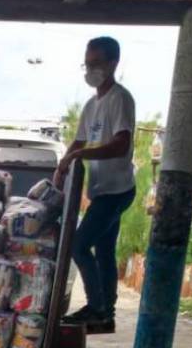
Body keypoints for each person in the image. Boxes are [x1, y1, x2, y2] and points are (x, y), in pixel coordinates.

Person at [54, 36, 136, 332]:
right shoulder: (92, 105)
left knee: (78, 245)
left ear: (113, 63)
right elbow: (78, 139)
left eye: (96, 64)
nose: (90, 70)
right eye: (87, 64)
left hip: (117, 191)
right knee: (103, 251)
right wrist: (64, 164)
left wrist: (81, 154)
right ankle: (106, 312)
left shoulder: (120, 99)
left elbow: (120, 144)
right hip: (101, 190)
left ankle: (97, 308)